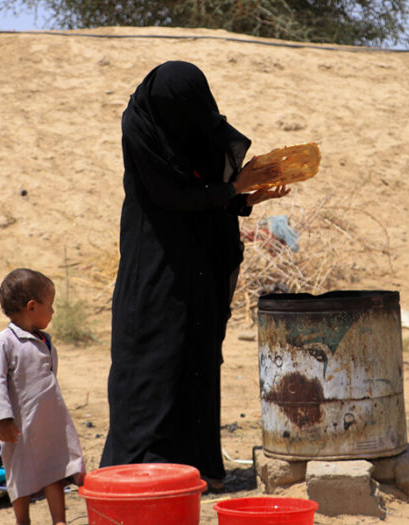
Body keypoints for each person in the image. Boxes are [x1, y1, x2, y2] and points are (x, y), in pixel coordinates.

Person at [100, 61, 290, 489]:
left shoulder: (192, 125)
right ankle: (142, 465)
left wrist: (244, 196)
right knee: (153, 354)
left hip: (198, 264)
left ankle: (196, 465)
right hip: (155, 261)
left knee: (195, 354)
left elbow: (207, 188)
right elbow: (170, 194)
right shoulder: (142, 128)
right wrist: (233, 189)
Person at [0, 268, 85, 525]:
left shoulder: (44, 340)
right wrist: (4, 419)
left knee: (54, 466)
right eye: (49, 305)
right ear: (32, 307)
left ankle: (59, 520)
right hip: (19, 424)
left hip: (48, 420)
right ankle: (23, 520)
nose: (52, 312)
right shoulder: (3, 342)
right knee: (19, 472)